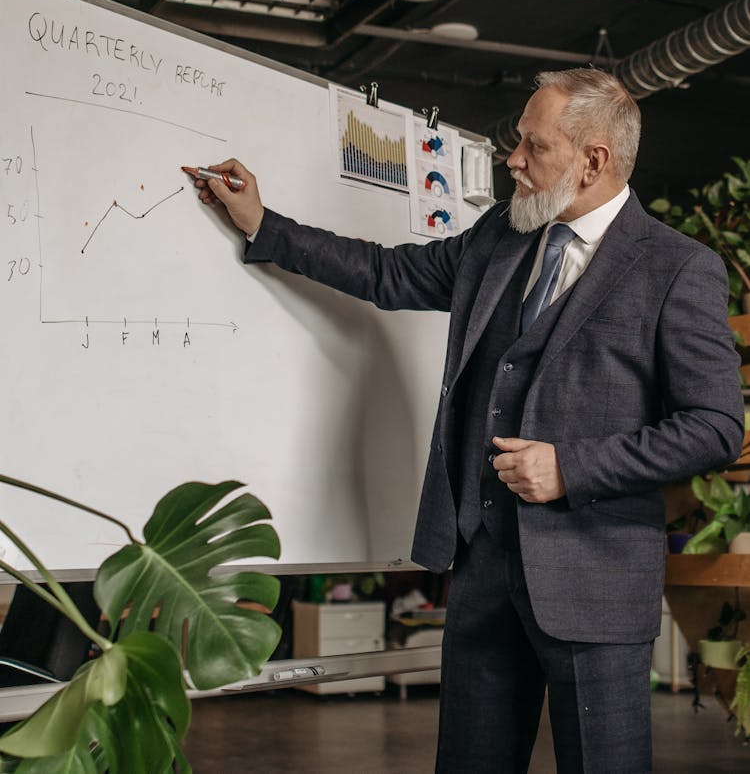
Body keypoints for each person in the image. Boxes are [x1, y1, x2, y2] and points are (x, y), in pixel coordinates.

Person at [189, 68, 744, 774]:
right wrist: (266, 226)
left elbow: (716, 425)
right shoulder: (500, 237)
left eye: (532, 146)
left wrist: (570, 467)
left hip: (595, 585)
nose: (512, 158)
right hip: (484, 569)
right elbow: (387, 274)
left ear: (593, 160)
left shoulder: (676, 268)